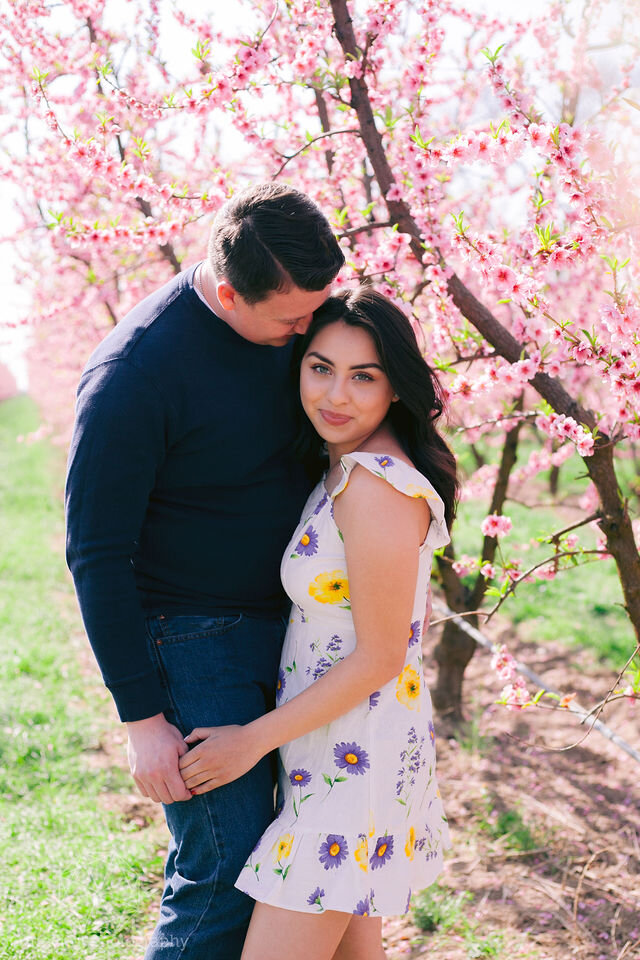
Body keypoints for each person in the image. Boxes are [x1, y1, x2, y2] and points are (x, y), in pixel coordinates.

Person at [64, 182, 345, 960]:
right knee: (226, 861)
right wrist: (141, 719)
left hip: (295, 626)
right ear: (229, 292)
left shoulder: (295, 314)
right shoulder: (135, 374)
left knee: (300, 844)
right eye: (292, 321)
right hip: (189, 635)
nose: (306, 333)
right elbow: (94, 551)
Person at [177, 286, 459, 960]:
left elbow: (383, 654)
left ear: (398, 387)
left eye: (364, 376)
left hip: (353, 769)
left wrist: (249, 741)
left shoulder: (379, 486)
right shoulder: (342, 470)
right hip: (333, 757)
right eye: (321, 367)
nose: (336, 394)